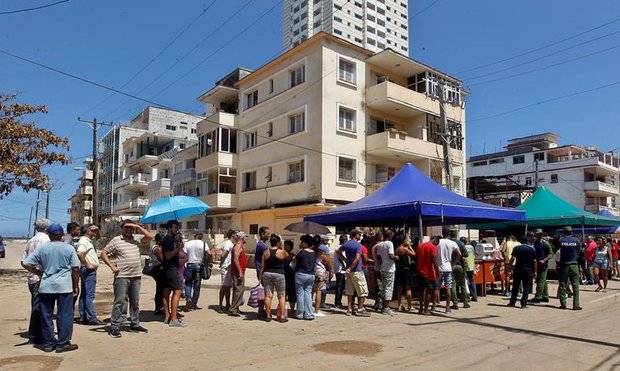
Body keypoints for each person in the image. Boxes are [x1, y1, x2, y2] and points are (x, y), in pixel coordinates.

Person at [22, 223, 80, 353]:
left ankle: (48, 343)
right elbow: (75, 269)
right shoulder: (68, 248)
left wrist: (38, 273)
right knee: (64, 315)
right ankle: (63, 343)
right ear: (61, 235)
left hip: (46, 286)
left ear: (49, 234)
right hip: (64, 286)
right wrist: (76, 285)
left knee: (46, 315)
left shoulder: (43, 249)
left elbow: (26, 263)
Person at [101, 220, 152, 337]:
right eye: (126, 227)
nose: (129, 230)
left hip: (136, 275)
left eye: (130, 228)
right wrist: (112, 266)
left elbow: (149, 236)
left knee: (135, 302)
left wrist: (137, 226)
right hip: (122, 277)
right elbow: (103, 253)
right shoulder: (116, 240)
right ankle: (114, 326)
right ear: (122, 228)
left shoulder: (136, 239)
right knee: (119, 302)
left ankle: (135, 323)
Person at [22, 218, 50, 345]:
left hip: (31, 278)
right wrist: (39, 272)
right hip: (41, 278)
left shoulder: (31, 240)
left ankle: (37, 333)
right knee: (40, 307)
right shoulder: (46, 241)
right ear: (47, 228)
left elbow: (24, 262)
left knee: (36, 305)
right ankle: (35, 335)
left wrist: (33, 271)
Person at [157, 220, 186, 326]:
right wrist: (178, 249)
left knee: (166, 292)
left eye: (177, 227)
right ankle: (173, 319)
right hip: (171, 269)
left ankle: (167, 317)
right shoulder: (168, 240)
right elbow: (168, 255)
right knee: (177, 292)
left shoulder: (169, 239)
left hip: (167, 269)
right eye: (174, 227)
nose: (176, 229)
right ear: (169, 228)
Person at [76, 224, 104, 325]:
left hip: (86, 269)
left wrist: (97, 230)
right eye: (93, 230)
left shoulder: (87, 241)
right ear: (88, 231)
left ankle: (83, 316)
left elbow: (98, 237)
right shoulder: (84, 241)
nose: (95, 232)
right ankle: (91, 317)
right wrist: (87, 264)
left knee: (84, 293)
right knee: (89, 295)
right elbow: (80, 253)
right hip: (88, 270)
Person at [338, 230, 370, 317]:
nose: (360, 236)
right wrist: (351, 267)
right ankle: (360, 309)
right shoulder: (358, 245)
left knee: (350, 291)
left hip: (349, 272)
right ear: (355, 235)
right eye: (359, 234)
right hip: (357, 271)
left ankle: (349, 309)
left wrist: (345, 261)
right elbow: (357, 258)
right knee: (362, 291)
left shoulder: (346, 244)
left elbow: (338, 252)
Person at [259, 234, 289, 322]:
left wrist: (260, 278)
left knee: (268, 295)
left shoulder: (265, 252)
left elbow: (262, 266)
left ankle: (268, 315)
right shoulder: (281, 252)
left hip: (267, 274)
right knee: (281, 295)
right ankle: (282, 316)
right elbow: (287, 256)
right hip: (279, 274)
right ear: (278, 242)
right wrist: (282, 246)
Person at [507, 233, 537, 308]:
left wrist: (509, 268)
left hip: (518, 269)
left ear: (520, 241)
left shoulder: (517, 248)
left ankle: (512, 303)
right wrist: (535, 271)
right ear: (527, 241)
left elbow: (512, 259)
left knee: (515, 287)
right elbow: (534, 261)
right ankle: (523, 304)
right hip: (528, 270)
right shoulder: (532, 249)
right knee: (526, 287)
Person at [436, 227, 461, 313]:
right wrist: (453, 263)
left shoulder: (438, 242)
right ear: (449, 233)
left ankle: (433, 306)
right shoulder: (452, 243)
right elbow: (459, 254)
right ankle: (447, 307)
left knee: (436, 288)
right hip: (448, 268)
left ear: (442, 233)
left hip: (439, 268)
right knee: (448, 287)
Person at [183, 232, 210, 311]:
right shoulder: (204, 244)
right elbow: (209, 253)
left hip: (189, 265)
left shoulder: (187, 243)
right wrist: (207, 262)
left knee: (188, 283)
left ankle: (188, 298)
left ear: (194, 236)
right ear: (201, 237)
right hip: (199, 265)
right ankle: (194, 304)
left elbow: (184, 254)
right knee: (197, 286)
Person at [557, 226, 582, 310]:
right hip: (574, 264)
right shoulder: (576, 240)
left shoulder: (561, 241)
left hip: (564, 265)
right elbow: (579, 251)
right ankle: (576, 305)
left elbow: (557, 249)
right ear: (571, 232)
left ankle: (563, 304)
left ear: (564, 232)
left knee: (563, 285)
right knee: (575, 285)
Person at [295, 234, 318, 320]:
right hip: (311, 275)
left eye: (302, 242)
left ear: (305, 243)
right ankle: (309, 314)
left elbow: (295, 261)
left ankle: (300, 314)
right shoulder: (314, 253)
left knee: (300, 294)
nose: (301, 243)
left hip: (300, 274)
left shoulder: (301, 252)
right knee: (308, 294)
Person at [377, 229, 398, 316]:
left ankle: (384, 306)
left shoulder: (380, 244)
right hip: (389, 269)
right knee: (388, 288)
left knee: (384, 288)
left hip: (383, 268)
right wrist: (396, 257)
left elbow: (378, 256)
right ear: (389, 236)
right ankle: (386, 308)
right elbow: (391, 255)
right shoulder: (390, 243)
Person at [416, 236, 440, 315]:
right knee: (428, 292)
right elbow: (434, 260)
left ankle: (420, 308)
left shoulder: (420, 245)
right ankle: (426, 310)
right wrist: (437, 271)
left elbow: (416, 257)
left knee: (421, 291)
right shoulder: (433, 247)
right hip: (429, 273)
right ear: (435, 241)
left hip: (420, 271)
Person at [228, 231, 248, 317]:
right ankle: (233, 309)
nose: (246, 238)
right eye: (245, 237)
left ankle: (236, 308)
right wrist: (240, 271)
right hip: (237, 272)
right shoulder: (238, 246)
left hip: (239, 271)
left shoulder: (240, 246)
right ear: (241, 238)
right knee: (238, 290)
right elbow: (235, 259)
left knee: (240, 290)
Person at [531, 230, 553, 303]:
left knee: (540, 281)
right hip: (536, 265)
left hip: (543, 265)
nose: (539, 235)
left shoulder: (545, 243)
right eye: (537, 234)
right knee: (543, 280)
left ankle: (538, 297)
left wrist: (544, 260)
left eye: (540, 234)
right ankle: (545, 297)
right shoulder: (535, 243)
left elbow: (551, 254)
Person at [394, 236, 415, 312]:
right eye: (407, 240)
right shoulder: (405, 249)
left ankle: (399, 305)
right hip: (406, 270)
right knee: (408, 288)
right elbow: (414, 255)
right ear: (403, 241)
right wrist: (410, 247)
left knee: (399, 288)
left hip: (399, 270)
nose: (408, 241)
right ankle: (410, 305)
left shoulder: (397, 249)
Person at [450, 230, 470, 310]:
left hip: (451, 265)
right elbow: (466, 254)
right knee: (462, 284)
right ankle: (465, 302)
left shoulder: (449, 243)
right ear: (457, 234)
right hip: (460, 265)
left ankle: (455, 303)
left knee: (453, 284)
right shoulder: (461, 243)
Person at [313, 237, 332, 317]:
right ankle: (317, 310)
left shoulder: (311, 250)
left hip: (312, 271)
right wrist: (331, 270)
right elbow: (328, 260)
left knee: (311, 291)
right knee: (319, 291)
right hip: (320, 271)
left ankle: (309, 308)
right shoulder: (321, 251)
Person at [255, 226, 270, 318]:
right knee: (264, 292)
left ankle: (261, 310)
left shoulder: (261, 244)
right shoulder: (262, 246)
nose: (269, 235)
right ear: (262, 234)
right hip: (262, 271)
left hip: (261, 270)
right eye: (267, 233)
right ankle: (261, 311)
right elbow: (268, 257)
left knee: (264, 291)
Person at [218, 230, 235, 312]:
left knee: (228, 287)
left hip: (229, 267)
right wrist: (221, 263)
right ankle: (220, 305)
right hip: (226, 267)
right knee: (224, 287)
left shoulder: (231, 243)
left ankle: (227, 304)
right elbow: (224, 254)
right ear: (232, 235)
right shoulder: (228, 243)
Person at [150, 234, 164, 315]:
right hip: (158, 269)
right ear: (159, 240)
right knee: (160, 289)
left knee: (160, 288)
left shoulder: (157, 247)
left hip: (158, 269)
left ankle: (159, 307)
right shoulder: (157, 249)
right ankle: (158, 308)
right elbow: (162, 259)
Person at [333, 235, 347, 309]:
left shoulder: (340, 247)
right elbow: (340, 258)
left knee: (340, 286)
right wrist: (344, 264)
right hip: (340, 269)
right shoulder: (340, 248)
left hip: (340, 269)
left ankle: (338, 302)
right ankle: (337, 302)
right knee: (339, 286)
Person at [462, 238, 477, 302]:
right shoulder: (471, 247)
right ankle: (474, 296)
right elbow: (474, 255)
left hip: (465, 266)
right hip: (471, 266)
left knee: (465, 282)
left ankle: (467, 297)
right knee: (472, 281)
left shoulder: (463, 247)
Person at [283, 240, 296, 313]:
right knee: (284, 293)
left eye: (287, 245)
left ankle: (292, 310)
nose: (285, 246)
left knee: (292, 294)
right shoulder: (281, 254)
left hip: (292, 276)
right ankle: (283, 309)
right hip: (284, 276)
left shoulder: (293, 255)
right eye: (284, 245)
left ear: (290, 246)